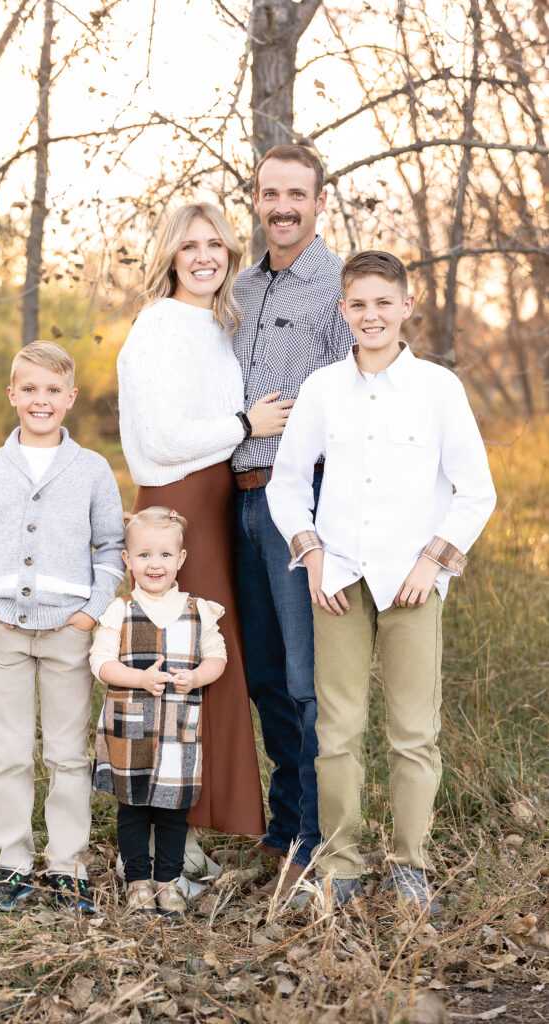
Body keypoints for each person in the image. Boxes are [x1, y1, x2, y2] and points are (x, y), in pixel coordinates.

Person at [267, 250, 496, 913]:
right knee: (336, 731)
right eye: (357, 304)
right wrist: (309, 555)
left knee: (412, 733)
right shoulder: (321, 389)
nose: (371, 315)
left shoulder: (437, 389)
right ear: (343, 312)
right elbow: (287, 482)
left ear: (406, 305)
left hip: (411, 582)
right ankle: (339, 864)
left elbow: (473, 492)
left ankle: (408, 863)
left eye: (382, 302)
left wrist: (431, 561)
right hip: (335, 578)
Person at [117, 202, 293, 850]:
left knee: (214, 664)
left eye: (214, 244)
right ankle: (169, 838)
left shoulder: (217, 324)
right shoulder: (158, 326)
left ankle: (193, 827)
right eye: (189, 245)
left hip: (218, 509)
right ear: (169, 254)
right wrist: (245, 425)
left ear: (229, 254)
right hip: (176, 507)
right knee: (175, 662)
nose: (203, 256)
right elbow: (161, 439)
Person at [0, 340, 125, 914]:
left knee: (69, 753)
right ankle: (12, 860)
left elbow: (112, 550)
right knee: (11, 752)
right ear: (12, 395)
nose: (40, 400)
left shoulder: (93, 469)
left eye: (53, 390)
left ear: (70, 398)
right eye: (29, 389)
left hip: (66, 633)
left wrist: (88, 614)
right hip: (1, 629)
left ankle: (68, 863)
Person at [231, 144, 354, 894]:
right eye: (270, 192)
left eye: (296, 194)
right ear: (256, 198)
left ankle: (318, 835)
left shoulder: (340, 285)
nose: (282, 205)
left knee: (308, 680)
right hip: (235, 497)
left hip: (300, 500)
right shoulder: (238, 286)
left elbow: (357, 392)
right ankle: (283, 828)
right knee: (264, 677)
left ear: (318, 201)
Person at [90, 507, 227, 915]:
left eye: (165, 555)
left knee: (172, 810)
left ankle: (168, 882)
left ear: (180, 559)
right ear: (127, 560)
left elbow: (218, 658)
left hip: (177, 733)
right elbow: (100, 663)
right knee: (132, 811)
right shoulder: (120, 609)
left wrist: (197, 677)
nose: (155, 564)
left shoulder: (198, 609)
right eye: (145, 555)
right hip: (129, 732)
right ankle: (137, 881)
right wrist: (139, 679)